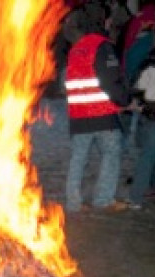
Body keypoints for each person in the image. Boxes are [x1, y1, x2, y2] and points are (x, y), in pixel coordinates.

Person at [63, 3, 132, 213]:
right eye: (108, 19)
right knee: (111, 155)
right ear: (102, 21)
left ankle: (73, 202)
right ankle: (103, 199)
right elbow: (110, 80)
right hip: (102, 115)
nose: (111, 22)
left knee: (78, 159)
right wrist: (125, 100)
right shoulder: (102, 47)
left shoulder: (76, 48)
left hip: (78, 116)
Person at [127, 15, 155, 214]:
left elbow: (140, 85)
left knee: (147, 155)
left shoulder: (153, 55)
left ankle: (136, 198)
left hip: (153, 113)